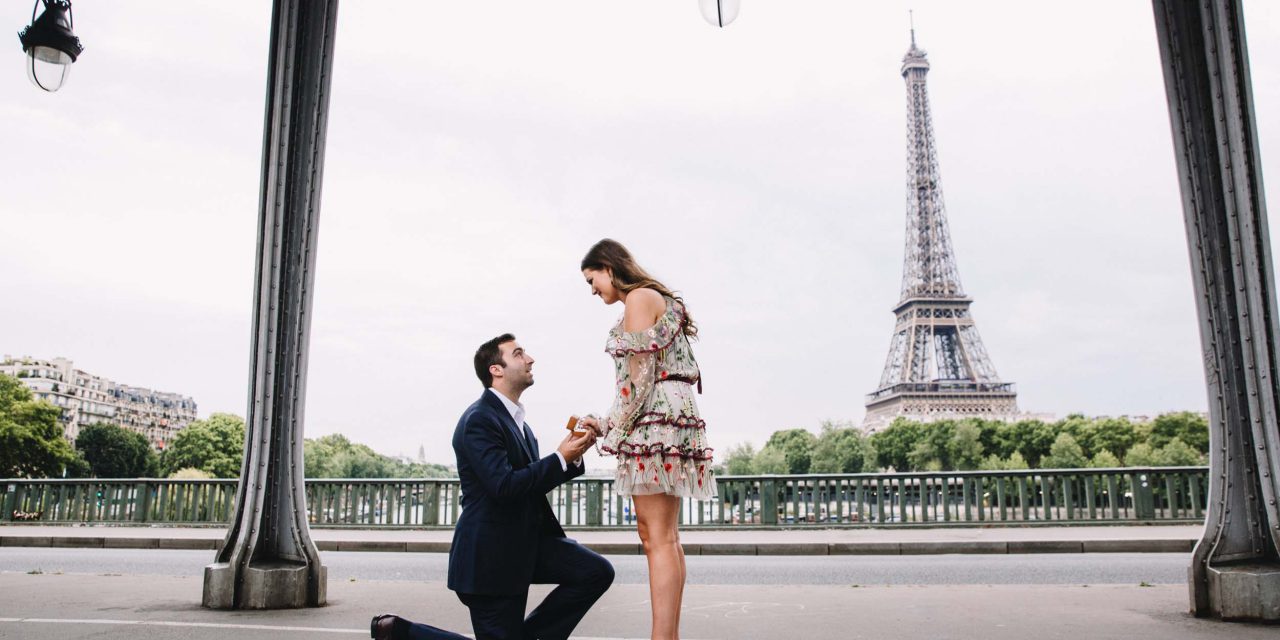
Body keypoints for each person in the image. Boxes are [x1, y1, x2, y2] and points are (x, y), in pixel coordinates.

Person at [372, 334, 615, 640]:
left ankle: (399, 632)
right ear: (496, 369)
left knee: (596, 572)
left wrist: (571, 455)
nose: (530, 359)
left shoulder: (520, 424)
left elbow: (529, 482)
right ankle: (402, 632)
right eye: (518, 353)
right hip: (490, 559)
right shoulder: (479, 419)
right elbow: (503, 486)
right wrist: (559, 458)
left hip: (522, 546)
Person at [578, 239, 716, 640]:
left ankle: (661, 638)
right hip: (670, 414)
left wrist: (611, 429)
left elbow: (639, 379)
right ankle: (667, 635)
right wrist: (609, 423)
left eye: (592, 280)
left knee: (655, 537)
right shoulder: (654, 297)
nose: (593, 290)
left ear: (608, 267)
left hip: (654, 418)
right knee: (664, 536)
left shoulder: (638, 297)